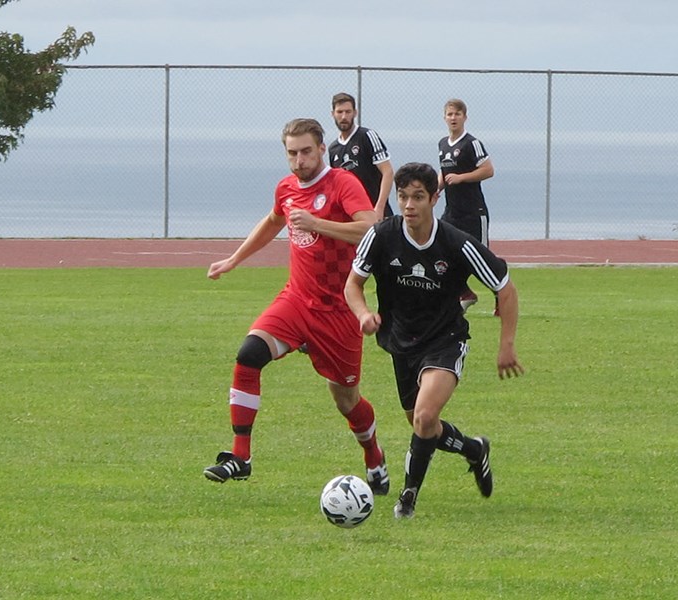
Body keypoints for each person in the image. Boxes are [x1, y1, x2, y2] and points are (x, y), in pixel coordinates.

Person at [204, 117, 389, 496]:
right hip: (296, 300)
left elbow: (372, 227)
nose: (299, 160)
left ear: (322, 149)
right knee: (249, 354)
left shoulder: (342, 183)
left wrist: (319, 224)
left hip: (339, 310)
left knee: (347, 400)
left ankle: (373, 454)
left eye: (306, 151)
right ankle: (241, 457)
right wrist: (234, 259)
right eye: (292, 153)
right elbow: (273, 222)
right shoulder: (286, 188)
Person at [344, 162, 524, 519]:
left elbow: (506, 288)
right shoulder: (381, 236)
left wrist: (506, 345)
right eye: (403, 196)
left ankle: (407, 498)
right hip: (400, 342)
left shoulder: (456, 243)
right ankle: (473, 449)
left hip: (446, 339)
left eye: (418, 197)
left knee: (425, 416)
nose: (409, 205)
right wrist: (364, 314)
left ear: (435, 198)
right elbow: (353, 284)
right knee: (423, 425)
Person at [437, 98, 496, 313]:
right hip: (451, 212)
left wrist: (462, 178)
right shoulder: (443, 144)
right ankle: (465, 293)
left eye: (457, 114)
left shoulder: (472, 143)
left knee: (482, 258)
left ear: (464, 117)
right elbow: (444, 173)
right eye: (450, 114)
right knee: (439, 250)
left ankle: (502, 295)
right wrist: (435, 189)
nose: (453, 118)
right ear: (444, 117)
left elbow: (488, 170)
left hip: (473, 213)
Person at [328, 92, 395, 221]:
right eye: (340, 112)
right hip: (351, 217)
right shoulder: (333, 149)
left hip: (375, 213)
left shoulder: (367, 136)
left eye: (348, 112)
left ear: (355, 113)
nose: (344, 117)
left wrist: (379, 208)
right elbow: (336, 186)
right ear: (333, 114)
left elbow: (388, 172)